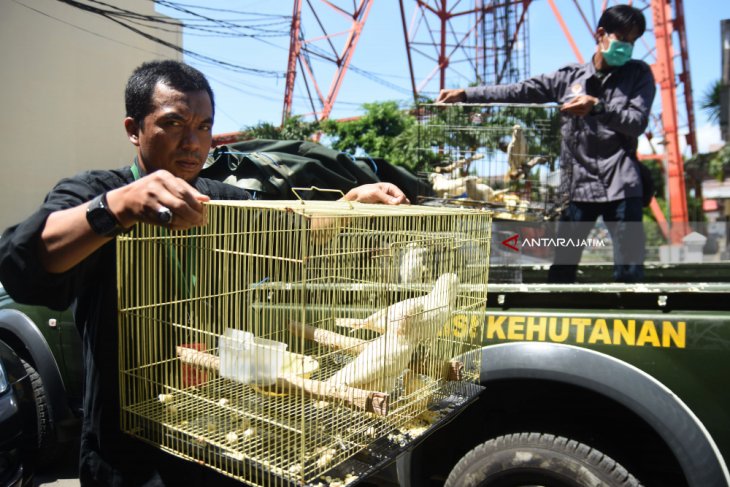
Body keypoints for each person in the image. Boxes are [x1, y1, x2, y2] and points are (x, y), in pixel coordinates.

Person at [0, 60, 408, 486]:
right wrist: (118, 208)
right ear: (134, 129)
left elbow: (296, 234)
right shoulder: (96, 193)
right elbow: (22, 262)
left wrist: (349, 203)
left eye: (204, 127)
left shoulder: (224, 204)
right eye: (174, 124)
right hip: (129, 454)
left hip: (222, 438)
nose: (192, 143)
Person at [437, 4, 655, 283]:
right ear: (601, 34)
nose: (627, 46)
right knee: (563, 268)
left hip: (621, 184)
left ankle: (631, 321)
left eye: (633, 41)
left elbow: (637, 122)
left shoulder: (639, 74)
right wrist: (466, 94)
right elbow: (518, 91)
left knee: (629, 270)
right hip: (577, 188)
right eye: (622, 38)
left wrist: (598, 107)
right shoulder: (568, 78)